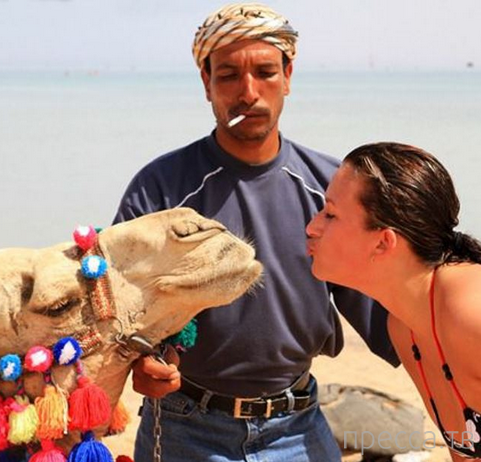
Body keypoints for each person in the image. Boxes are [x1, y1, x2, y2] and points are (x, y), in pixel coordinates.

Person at [113, 3, 398, 461]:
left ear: (288, 76)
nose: (249, 92)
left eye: (265, 72)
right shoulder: (161, 188)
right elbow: (116, 312)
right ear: (206, 82)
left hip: (299, 427)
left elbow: (389, 312)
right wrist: (143, 362)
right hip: (184, 427)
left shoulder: (331, 189)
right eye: (228, 75)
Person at [307, 142, 481, 461]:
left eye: (330, 214)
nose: (312, 227)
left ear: (383, 242)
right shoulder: (404, 328)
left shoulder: (471, 310)